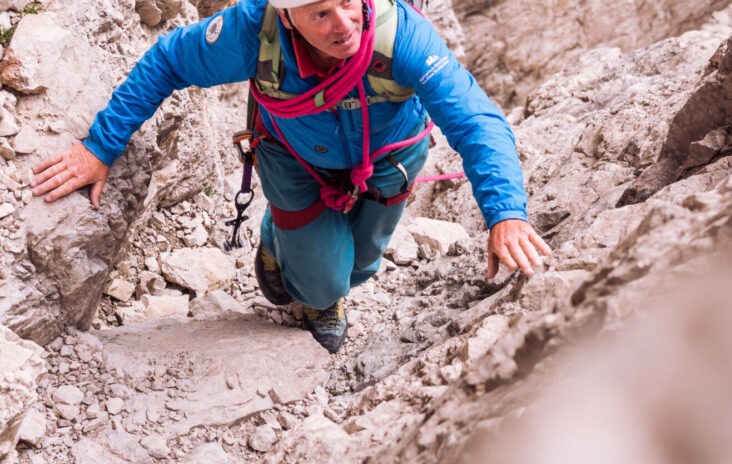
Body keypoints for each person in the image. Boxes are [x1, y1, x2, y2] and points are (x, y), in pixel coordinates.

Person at [30, 0, 551, 353]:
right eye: (320, 12)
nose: (343, 24)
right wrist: (100, 145)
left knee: (362, 266)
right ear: (288, 14)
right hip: (296, 160)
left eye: (349, 1)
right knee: (324, 286)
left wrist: (506, 212)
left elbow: (476, 120)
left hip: (389, 159)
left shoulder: (403, 36)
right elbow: (167, 61)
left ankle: (308, 255)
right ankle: (283, 248)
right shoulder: (252, 32)